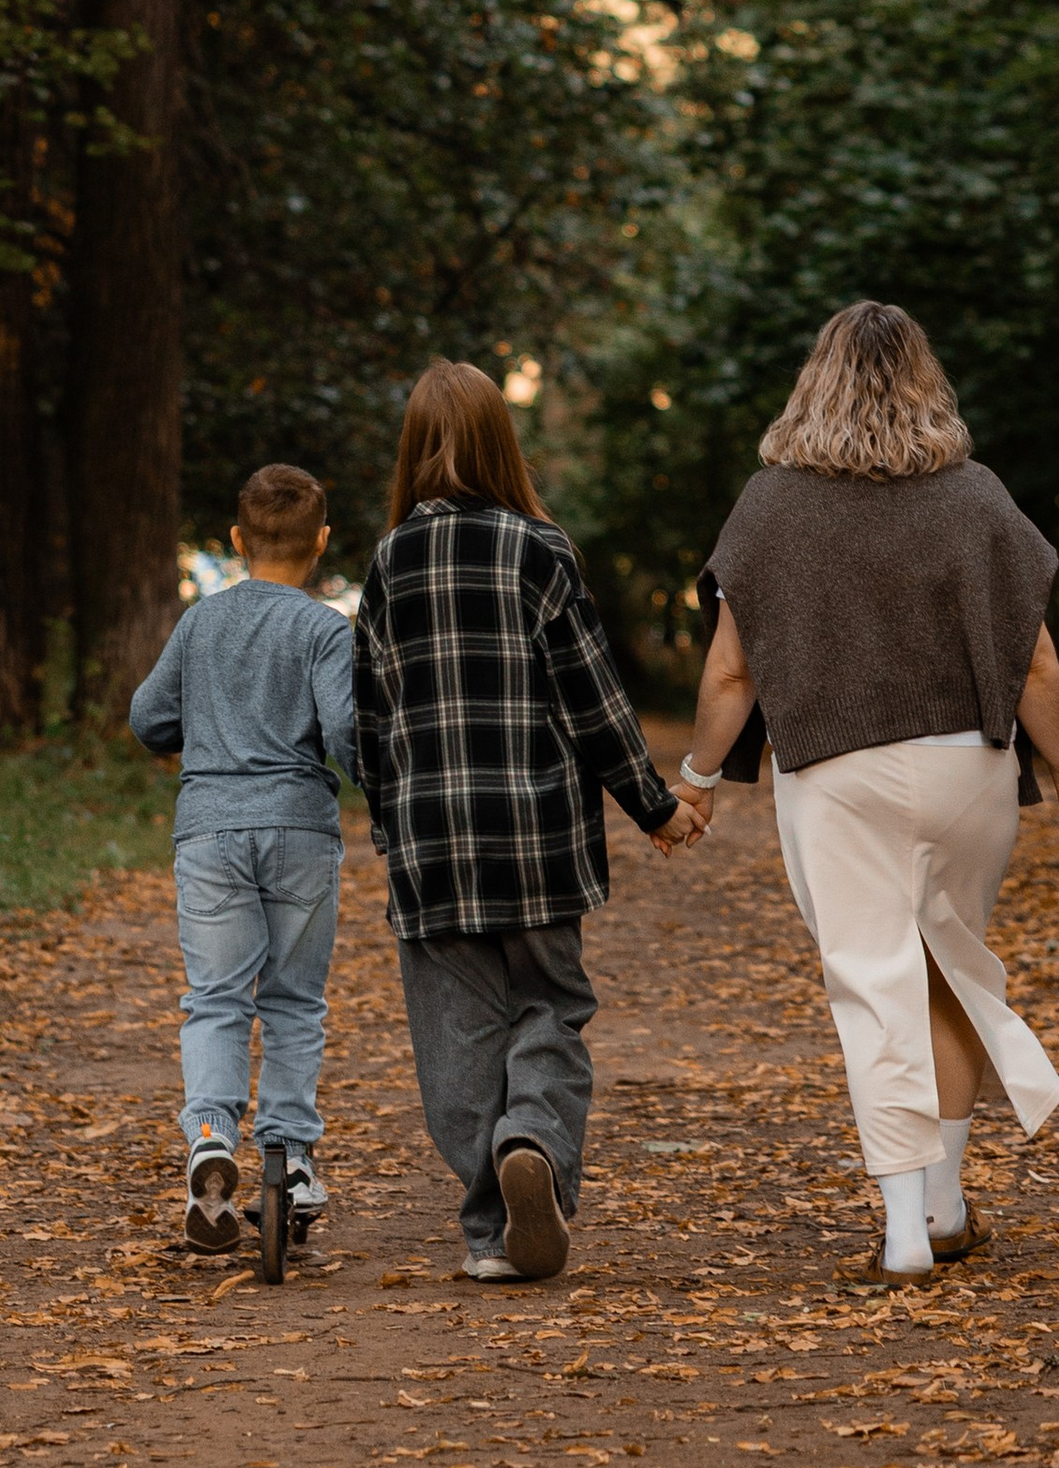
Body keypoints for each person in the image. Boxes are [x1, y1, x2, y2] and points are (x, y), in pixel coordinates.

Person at [674, 300, 1059, 1283]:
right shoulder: (976, 497)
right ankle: (943, 1203)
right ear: (922, 382)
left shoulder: (769, 505)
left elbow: (731, 676)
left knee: (870, 976)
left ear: (812, 381)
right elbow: (1031, 667)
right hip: (964, 770)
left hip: (834, 772)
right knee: (947, 965)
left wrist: (695, 779)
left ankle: (903, 1225)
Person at [352, 360, 698, 1285]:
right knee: (551, 1004)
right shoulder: (538, 550)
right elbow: (593, 700)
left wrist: (393, 834)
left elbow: (373, 723)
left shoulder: (388, 564)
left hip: (435, 847)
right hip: (538, 841)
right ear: (506, 443)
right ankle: (534, 1145)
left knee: (455, 1038)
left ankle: (488, 1233)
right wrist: (654, 808)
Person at [128, 461, 358, 1256]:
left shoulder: (200, 624)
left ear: (235, 540)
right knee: (295, 1001)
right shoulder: (327, 630)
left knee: (216, 998)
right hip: (299, 829)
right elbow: (344, 736)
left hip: (211, 830)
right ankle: (289, 1158)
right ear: (322, 541)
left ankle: (208, 1139)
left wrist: (196, 732)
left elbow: (148, 716)